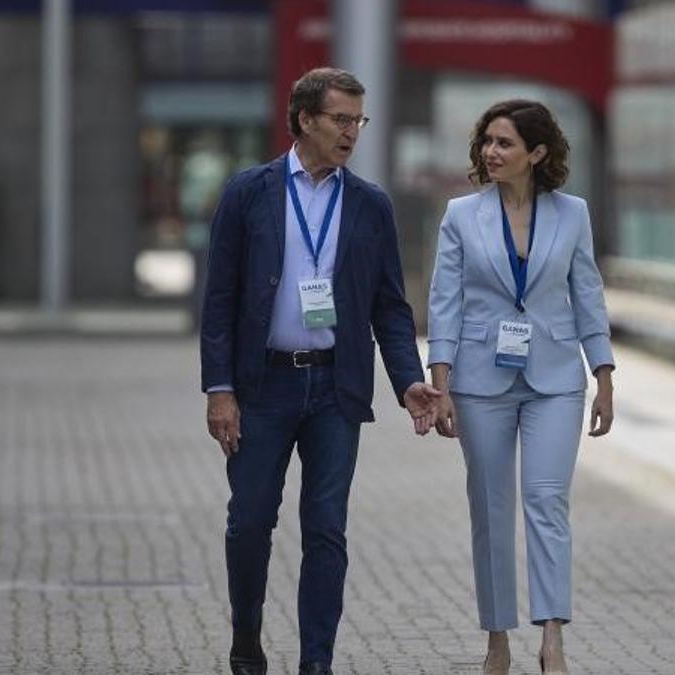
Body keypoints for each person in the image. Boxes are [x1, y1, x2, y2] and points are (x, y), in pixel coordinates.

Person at [200, 67, 441, 675]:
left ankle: (316, 663)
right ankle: (246, 639)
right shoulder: (248, 193)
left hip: (336, 387)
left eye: (359, 120)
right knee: (250, 521)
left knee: (327, 530)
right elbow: (219, 301)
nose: (352, 132)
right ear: (305, 119)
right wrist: (220, 389)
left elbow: (390, 305)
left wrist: (407, 377)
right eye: (341, 119)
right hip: (263, 387)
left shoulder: (369, 204)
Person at [426, 99, 615, 675]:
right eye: (487, 141)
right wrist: (442, 382)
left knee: (546, 501)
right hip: (480, 382)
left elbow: (588, 293)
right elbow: (444, 302)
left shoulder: (573, 213)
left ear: (536, 153)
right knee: (491, 508)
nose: (491, 151)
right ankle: (497, 638)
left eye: (504, 143)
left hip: (556, 379)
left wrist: (603, 375)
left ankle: (553, 636)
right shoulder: (461, 215)